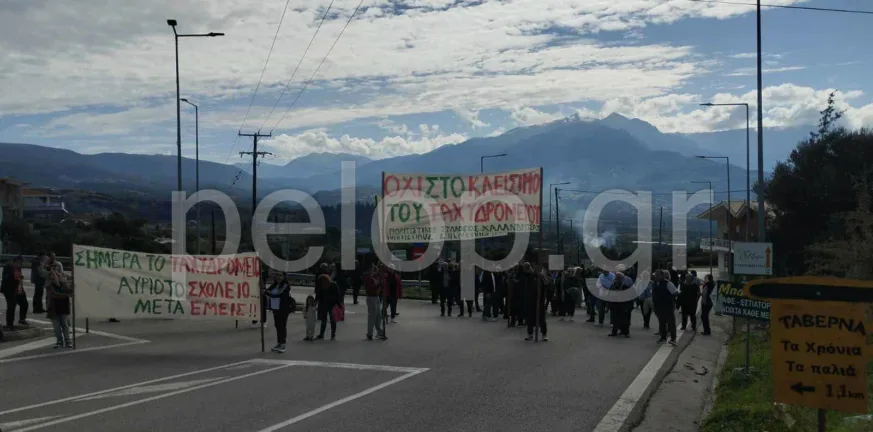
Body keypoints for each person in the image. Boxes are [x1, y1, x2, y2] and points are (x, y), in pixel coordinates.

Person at [44, 261, 73, 348]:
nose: (55, 269)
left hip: (64, 303)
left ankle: (68, 340)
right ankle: (59, 341)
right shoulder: (49, 278)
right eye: (53, 267)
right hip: (53, 303)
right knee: (56, 325)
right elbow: (50, 290)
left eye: (57, 267)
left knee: (64, 323)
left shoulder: (66, 277)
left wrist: (63, 282)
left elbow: (70, 290)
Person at [264, 272, 291, 352]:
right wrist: (265, 291)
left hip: (283, 309)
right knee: (277, 326)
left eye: (280, 275)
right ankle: (279, 343)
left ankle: (283, 344)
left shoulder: (285, 286)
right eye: (277, 275)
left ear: (284, 277)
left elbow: (277, 294)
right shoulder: (275, 285)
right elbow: (267, 291)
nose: (278, 277)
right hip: (275, 308)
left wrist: (268, 293)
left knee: (282, 326)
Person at [653, 270, 679, 346]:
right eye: (655, 275)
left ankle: (673, 339)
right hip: (658, 306)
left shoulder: (668, 283)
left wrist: (667, 299)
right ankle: (663, 337)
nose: (656, 276)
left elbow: (675, 293)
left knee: (671, 323)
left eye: (658, 275)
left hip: (667, 307)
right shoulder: (654, 283)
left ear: (662, 276)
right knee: (661, 323)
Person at [2, 255, 29, 329]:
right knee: (11, 307)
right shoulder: (8, 268)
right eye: (21, 262)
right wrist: (16, 279)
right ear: (16, 261)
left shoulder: (18, 268)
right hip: (10, 291)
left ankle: (22, 319)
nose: (22, 264)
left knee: (25, 304)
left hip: (19, 290)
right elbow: (7, 281)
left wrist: (20, 279)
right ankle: (9, 324)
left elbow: (19, 278)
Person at [523, 263, 548, 341]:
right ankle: (530, 333)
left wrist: (542, 276)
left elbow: (547, 282)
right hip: (530, 300)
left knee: (541, 319)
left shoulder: (541, 277)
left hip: (539, 301)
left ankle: (544, 334)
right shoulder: (528, 276)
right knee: (530, 318)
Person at [315, 263, 340, 340]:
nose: (323, 283)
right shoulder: (320, 284)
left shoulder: (333, 285)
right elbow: (318, 294)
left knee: (332, 320)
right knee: (324, 319)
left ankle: (333, 335)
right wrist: (316, 301)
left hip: (331, 304)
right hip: (323, 303)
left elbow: (337, 295)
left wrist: (338, 304)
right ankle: (322, 334)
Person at [363, 264, 386, 340]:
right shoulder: (367, 277)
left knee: (378, 316)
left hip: (376, 297)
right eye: (373, 268)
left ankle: (379, 332)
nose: (374, 270)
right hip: (371, 297)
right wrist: (379, 284)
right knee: (372, 316)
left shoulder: (373, 276)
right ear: (369, 269)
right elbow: (370, 288)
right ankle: (369, 333)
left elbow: (380, 274)